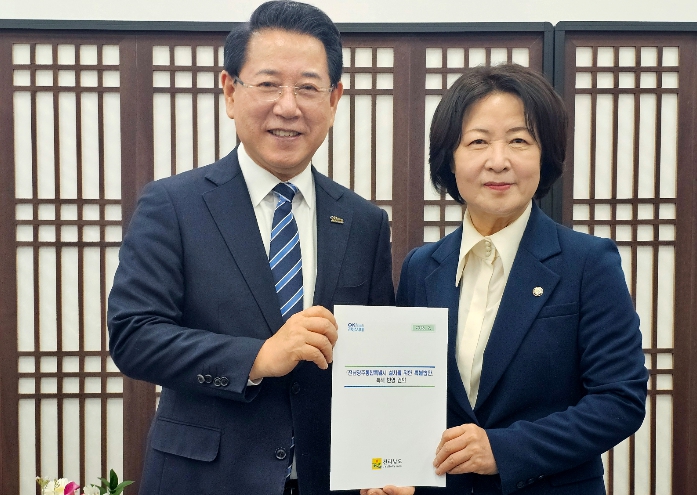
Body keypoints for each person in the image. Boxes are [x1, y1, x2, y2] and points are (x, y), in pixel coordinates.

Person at [107, 2, 395, 494]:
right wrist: (257, 357)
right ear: (230, 91)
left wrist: (386, 462)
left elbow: (377, 360)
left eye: (308, 87)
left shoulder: (364, 222)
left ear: (334, 99)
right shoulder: (173, 204)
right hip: (203, 479)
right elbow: (134, 336)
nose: (288, 107)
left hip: (329, 480)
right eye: (268, 84)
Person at [377, 64, 647, 495]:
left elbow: (620, 400)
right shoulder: (421, 268)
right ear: (449, 158)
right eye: (478, 141)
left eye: (519, 141)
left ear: (545, 155)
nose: (498, 161)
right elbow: (408, 395)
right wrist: (396, 471)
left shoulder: (588, 263)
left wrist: (503, 450)